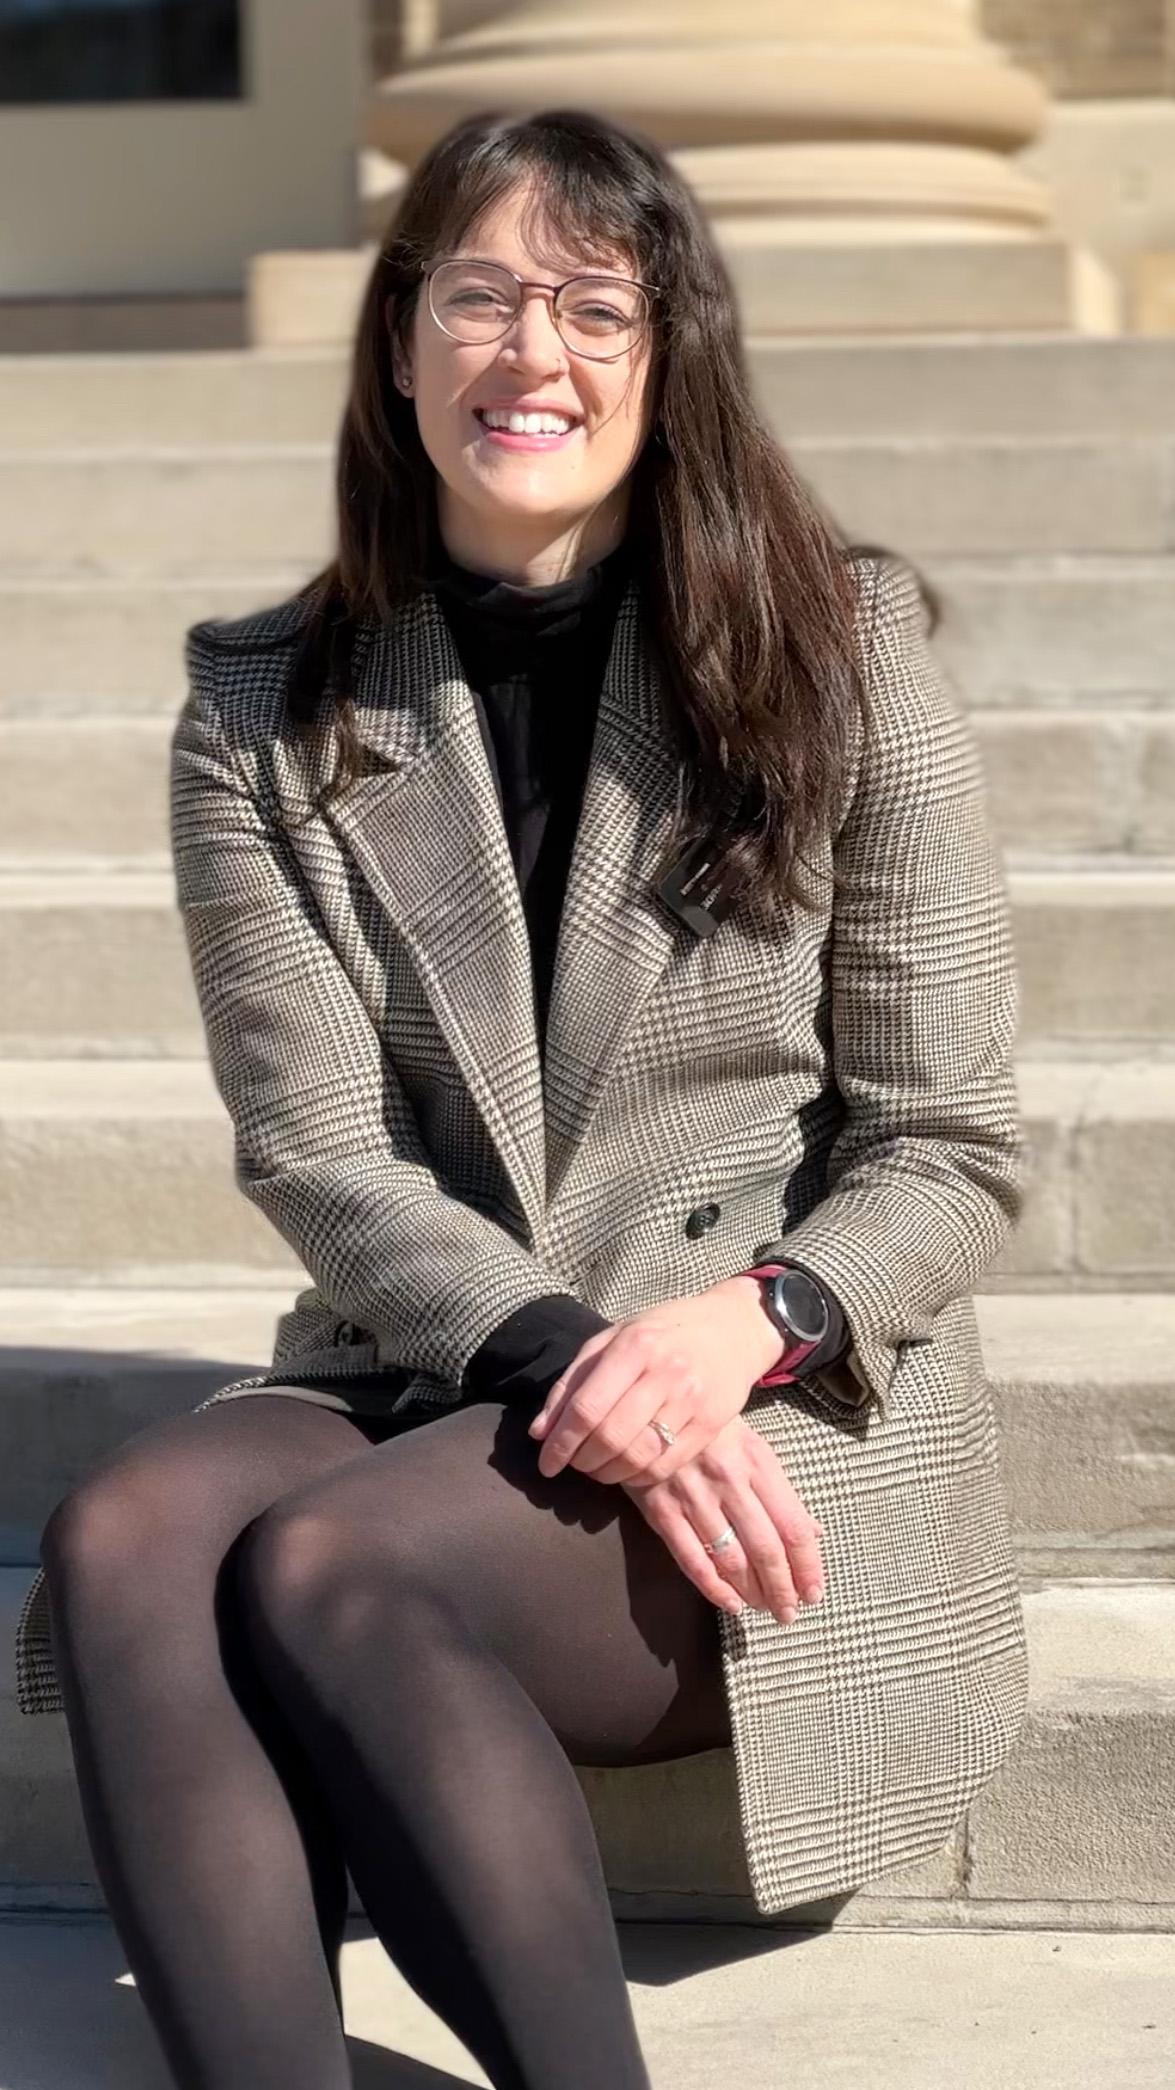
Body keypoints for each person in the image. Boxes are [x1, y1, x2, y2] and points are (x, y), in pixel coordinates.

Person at [19, 106, 1030, 2090]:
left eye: (592, 304)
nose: (530, 353)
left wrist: (757, 1323)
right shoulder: (266, 705)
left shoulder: (847, 647)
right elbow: (317, 1145)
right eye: (476, 295)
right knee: (131, 1531)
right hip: (444, 1351)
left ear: (670, 356)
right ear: (400, 346)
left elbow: (952, 1138)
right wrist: (563, 1350)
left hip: (771, 1392)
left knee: (329, 1564)